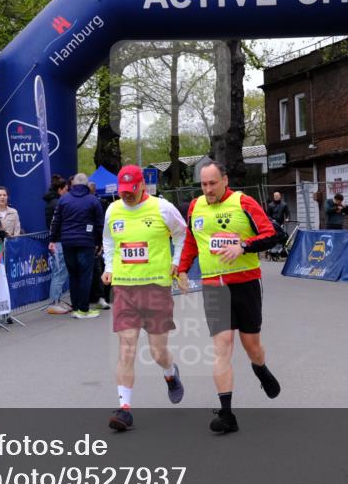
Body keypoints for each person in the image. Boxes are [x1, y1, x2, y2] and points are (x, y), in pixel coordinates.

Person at [177, 161, 282, 434]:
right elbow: (191, 239)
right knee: (222, 346)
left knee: (251, 346)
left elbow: (273, 234)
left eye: (213, 183)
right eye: (203, 184)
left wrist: (244, 246)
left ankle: (260, 368)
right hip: (214, 286)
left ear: (224, 180)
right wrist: (183, 269)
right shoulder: (195, 207)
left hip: (245, 283)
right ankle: (227, 415)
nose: (208, 189)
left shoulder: (243, 202)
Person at [101, 165, 187, 431]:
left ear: (142, 186)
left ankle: (170, 373)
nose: (126, 196)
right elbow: (109, 241)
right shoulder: (112, 210)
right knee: (126, 348)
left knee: (157, 351)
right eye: (122, 192)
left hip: (156, 286)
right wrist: (109, 268)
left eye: (131, 191)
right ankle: (124, 409)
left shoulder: (163, 207)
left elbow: (182, 233)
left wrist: (176, 262)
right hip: (125, 288)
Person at [48, 173, 104, 319]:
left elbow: (56, 221)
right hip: (86, 242)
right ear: (86, 185)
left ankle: (76, 307)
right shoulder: (93, 200)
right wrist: (99, 243)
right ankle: (84, 309)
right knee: (85, 275)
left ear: (72, 185)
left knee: (73, 275)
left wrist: (52, 239)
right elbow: (99, 224)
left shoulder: (64, 199)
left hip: (67, 241)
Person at [43, 175, 71, 314]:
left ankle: (57, 300)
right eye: (66, 189)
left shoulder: (54, 202)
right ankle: (54, 302)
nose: (67, 192)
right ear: (60, 189)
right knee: (59, 272)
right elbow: (56, 223)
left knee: (59, 272)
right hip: (59, 241)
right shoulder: (57, 204)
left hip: (59, 240)